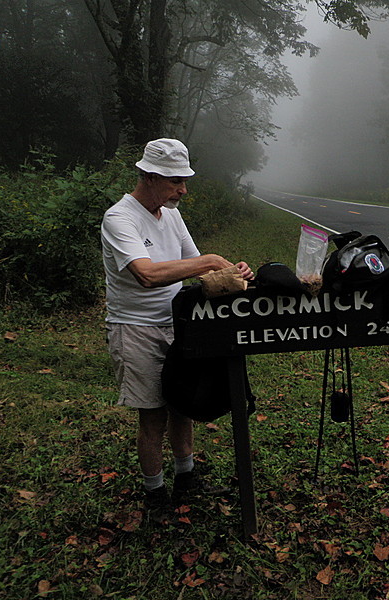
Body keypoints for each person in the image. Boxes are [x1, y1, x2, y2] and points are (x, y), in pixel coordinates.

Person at [101, 138, 254, 522]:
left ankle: (186, 478)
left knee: (182, 404)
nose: (183, 190)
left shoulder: (170, 214)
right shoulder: (120, 218)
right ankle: (155, 496)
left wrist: (233, 274)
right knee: (152, 415)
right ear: (150, 178)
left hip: (178, 325)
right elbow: (147, 274)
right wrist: (207, 263)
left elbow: (196, 267)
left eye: (184, 181)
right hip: (136, 328)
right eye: (175, 182)